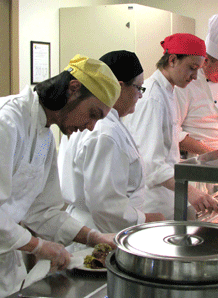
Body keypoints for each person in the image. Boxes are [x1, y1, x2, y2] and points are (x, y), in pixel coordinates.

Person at [0, 54, 121, 298]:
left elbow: (43, 211)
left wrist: (93, 237)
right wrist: (38, 246)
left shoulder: (44, 136)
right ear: (73, 89)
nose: (90, 126)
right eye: (93, 114)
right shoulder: (5, 121)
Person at [58, 50, 166, 253]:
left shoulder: (102, 123)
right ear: (119, 86)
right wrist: (145, 219)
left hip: (93, 229)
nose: (140, 95)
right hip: (100, 234)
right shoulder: (104, 132)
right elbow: (105, 205)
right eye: (138, 88)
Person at [124, 33, 218, 220]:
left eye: (198, 69)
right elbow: (150, 162)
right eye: (192, 68)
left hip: (166, 197)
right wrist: (191, 191)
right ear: (173, 60)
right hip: (152, 200)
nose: (194, 76)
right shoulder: (152, 97)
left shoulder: (168, 91)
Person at [175, 13, 218, 156]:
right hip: (200, 163)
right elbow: (174, 134)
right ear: (205, 61)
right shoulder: (185, 84)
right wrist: (212, 154)